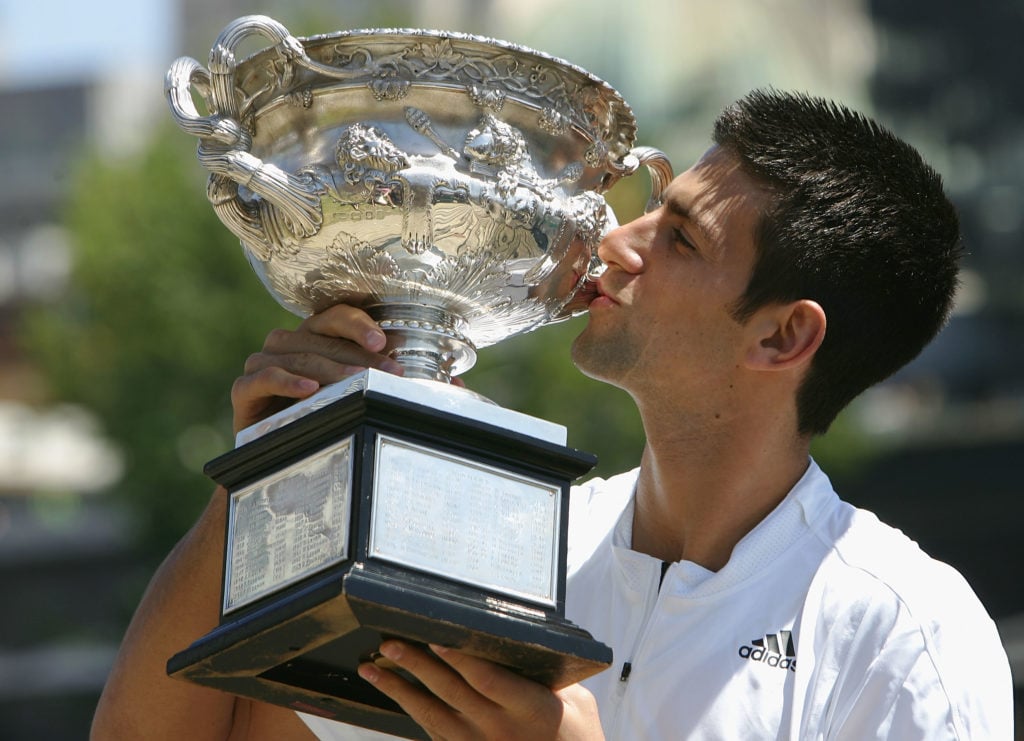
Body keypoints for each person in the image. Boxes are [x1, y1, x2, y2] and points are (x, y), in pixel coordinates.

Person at [91, 89, 1013, 740]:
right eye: (652, 210)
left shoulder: (903, 632)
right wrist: (269, 475)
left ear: (782, 339)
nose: (616, 237)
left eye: (681, 238)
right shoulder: (496, 540)